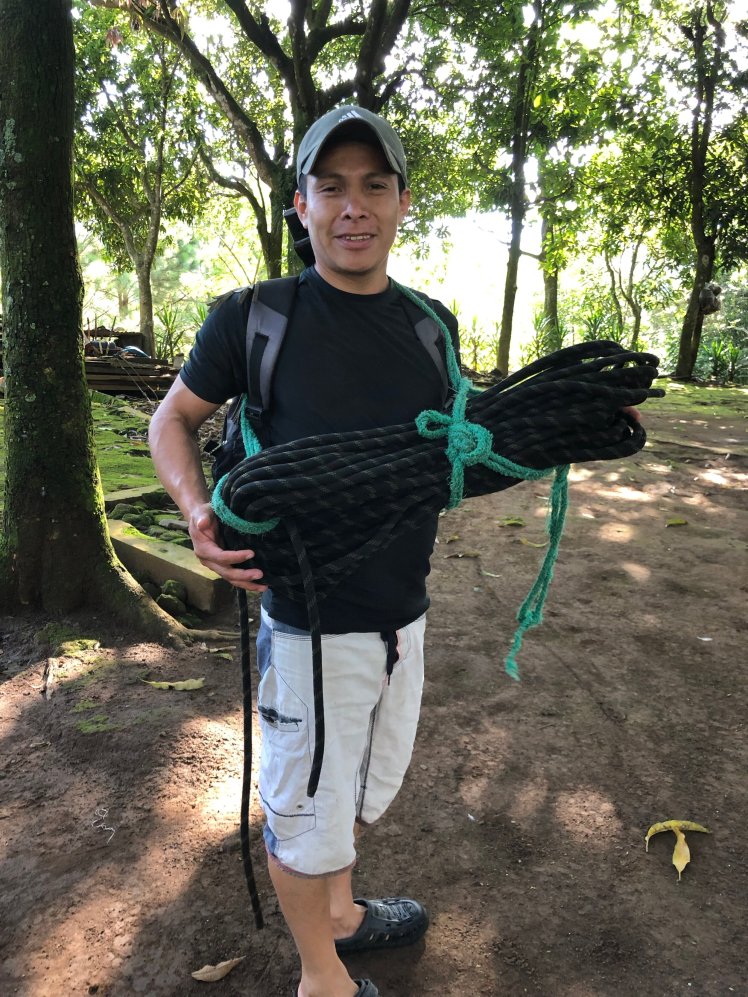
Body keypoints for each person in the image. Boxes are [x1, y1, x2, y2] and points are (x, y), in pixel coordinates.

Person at [149, 105, 460, 997]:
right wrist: (198, 510)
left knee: (358, 788)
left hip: (406, 612)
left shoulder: (430, 328)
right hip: (309, 627)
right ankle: (321, 975)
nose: (352, 207)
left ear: (403, 203)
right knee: (303, 808)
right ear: (301, 203)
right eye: (332, 187)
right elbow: (171, 419)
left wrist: (581, 426)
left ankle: (347, 913)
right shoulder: (255, 319)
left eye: (373, 186)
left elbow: (460, 454)